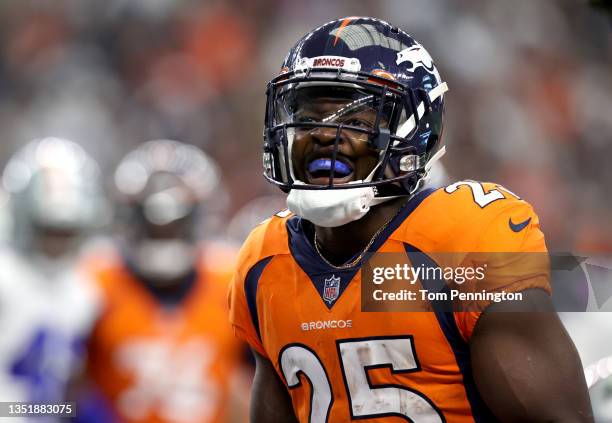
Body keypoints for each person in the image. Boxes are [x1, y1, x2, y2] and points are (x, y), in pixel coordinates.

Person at [228, 17, 593, 422]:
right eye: (308, 117)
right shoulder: (264, 259)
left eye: (355, 121)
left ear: (414, 132)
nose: (323, 134)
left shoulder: (462, 236)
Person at [74, 140, 250, 423]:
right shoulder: (94, 283)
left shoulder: (231, 282)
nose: (164, 232)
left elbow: (254, 387)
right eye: (153, 225)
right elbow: (58, 391)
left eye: (175, 225)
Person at [0, 137, 105, 415]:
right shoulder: (6, 279)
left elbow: (68, 388)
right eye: (46, 230)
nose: (55, 244)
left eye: (65, 232)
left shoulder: (84, 290)